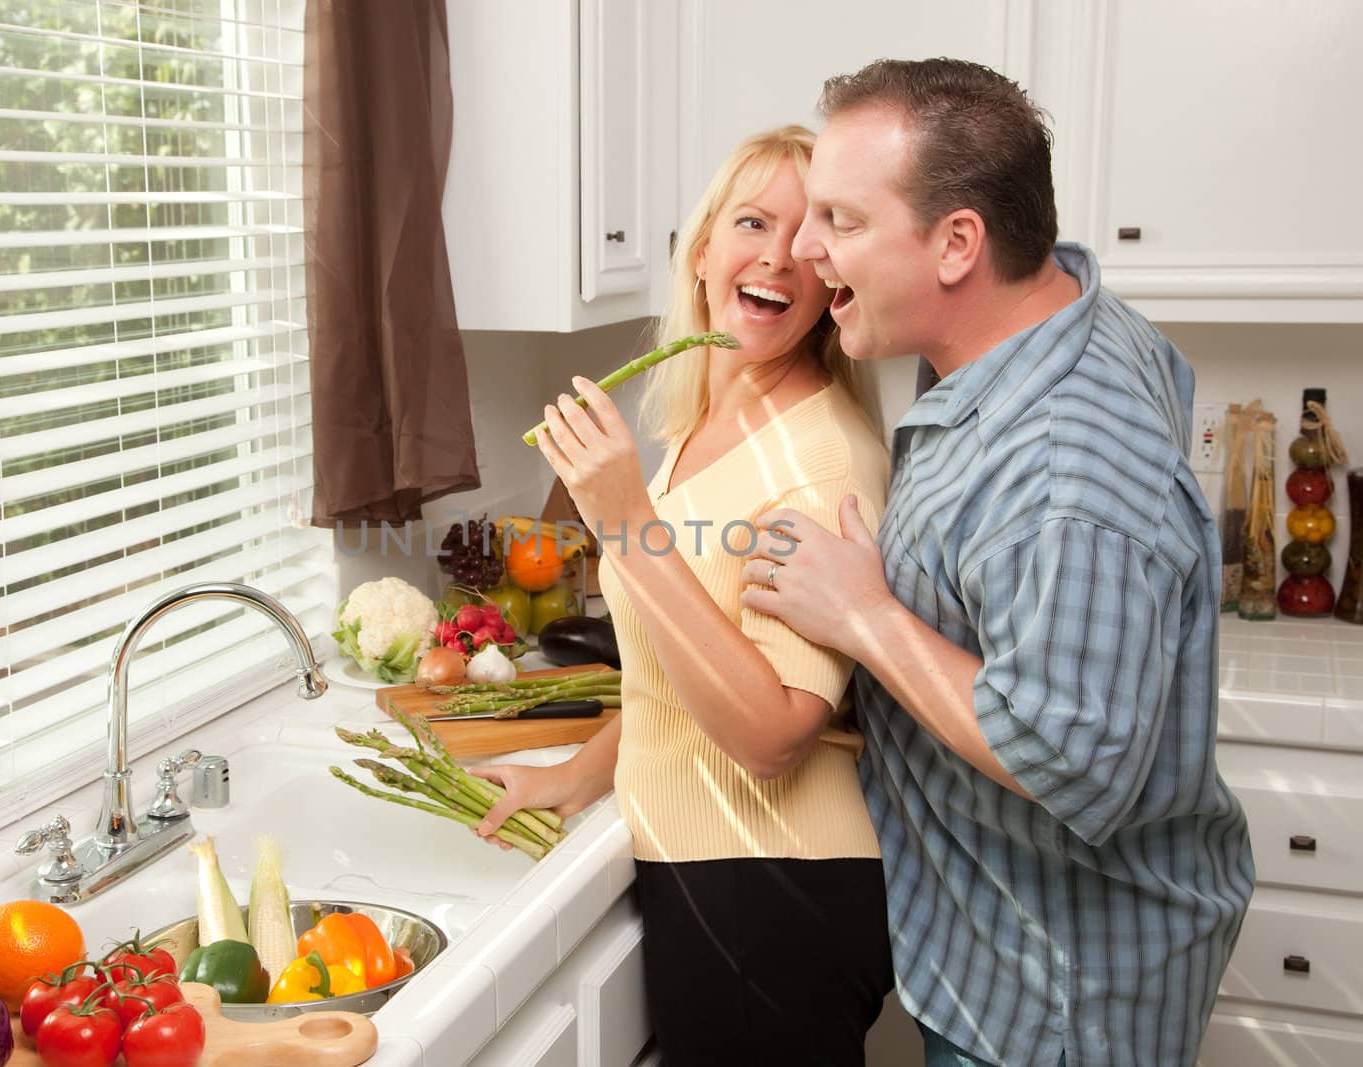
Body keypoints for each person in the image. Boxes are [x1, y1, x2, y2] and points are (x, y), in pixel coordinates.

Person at [739, 59, 1255, 1067]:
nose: (805, 249)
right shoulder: (1043, 310)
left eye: (839, 220)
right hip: (990, 943)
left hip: (1054, 999)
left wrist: (864, 615)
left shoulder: (1069, 473)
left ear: (958, 244)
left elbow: (1067, 758)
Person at [472, 126, 894, 1065]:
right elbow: (686, 661)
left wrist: (625, 522)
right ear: (703, 250)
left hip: (773, 885)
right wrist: (574, 777)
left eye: (810, 239)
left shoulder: (821, 460)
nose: (778, 256)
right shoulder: (710, 422)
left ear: (832, 282)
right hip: (728, 872)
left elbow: (777, 731)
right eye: (752, 222)